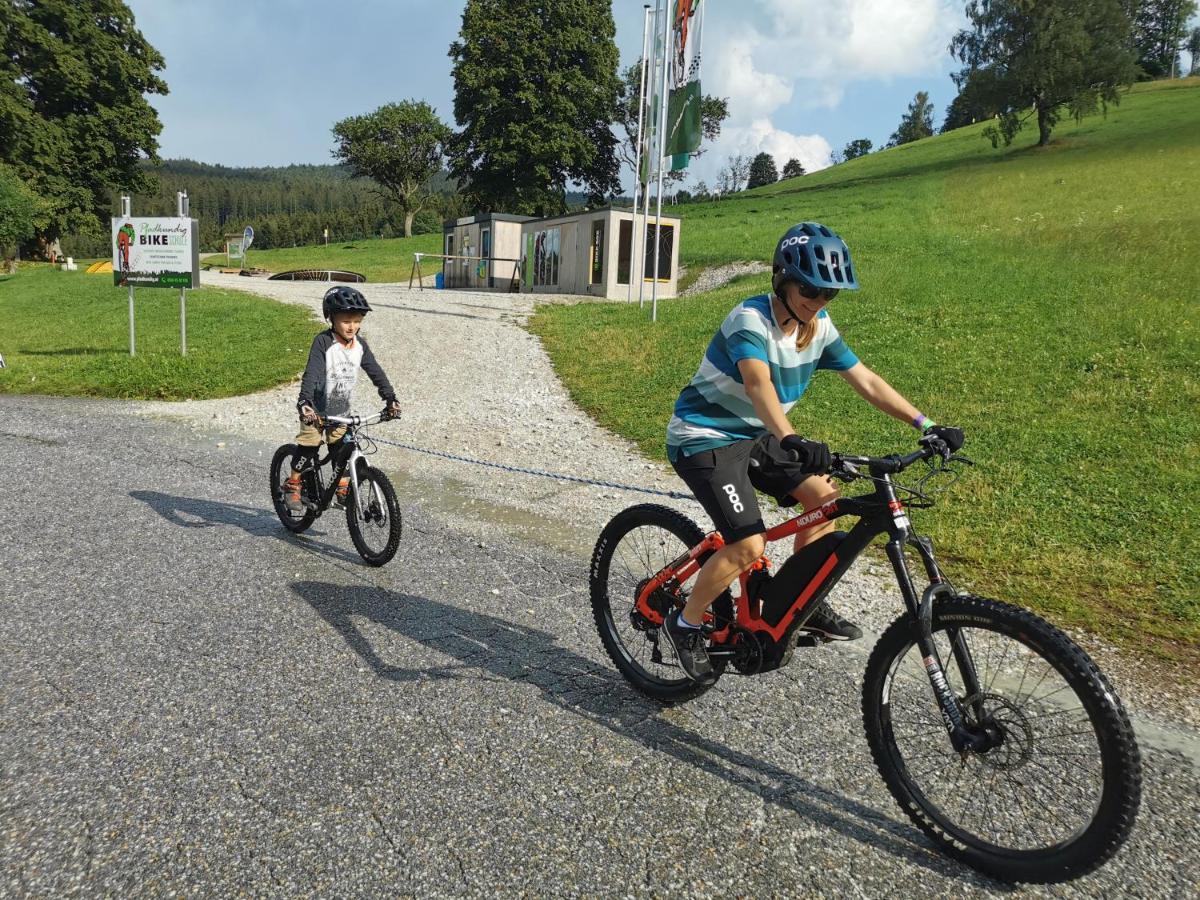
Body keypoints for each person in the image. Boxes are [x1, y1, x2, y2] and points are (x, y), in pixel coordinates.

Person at [661, 222, 964, 682]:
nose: (819, 300)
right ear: (782, 278)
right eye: (810, 288)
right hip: (703, 437)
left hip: (760, 434)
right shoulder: (749, 319)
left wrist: (926, 424)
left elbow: (866, 380)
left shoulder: (816, 327)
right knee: (748, 544)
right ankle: (683, 624)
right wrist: (790, 437)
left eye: (829, 294)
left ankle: (806, 600)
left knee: (825, 500)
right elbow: (758, 384)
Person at [283, 286, 401, 512]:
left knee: (342, 451)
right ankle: (293, 484)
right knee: (308, 447)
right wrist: (304, 402)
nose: (352, 326)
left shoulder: (360, 345)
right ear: (332, 318)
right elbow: (312, 373)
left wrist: (390, 397)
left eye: (357, 321)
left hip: (340, 412)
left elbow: (375, 372)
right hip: (316, 410)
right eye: (346, 321)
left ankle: (343, 488)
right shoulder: (324, 342)